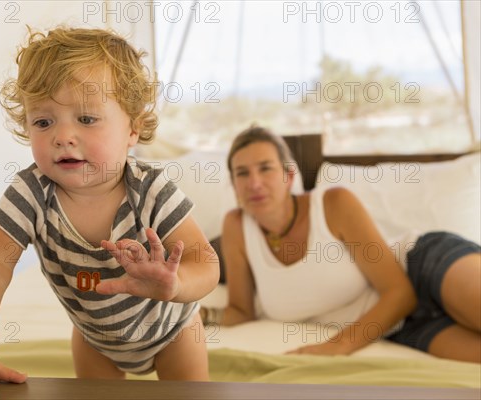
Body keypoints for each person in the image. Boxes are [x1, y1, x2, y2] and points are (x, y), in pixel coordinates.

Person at [0, 27, 219, 400]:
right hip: (95, 338)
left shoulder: (151, 190)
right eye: (43, 122)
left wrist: (176, 286)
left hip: (173, 331)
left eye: (86, 119)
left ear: (134, 128)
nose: (63, 136)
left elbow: (205, 262)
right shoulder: (30, 194)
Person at [200, 125, 480, 363]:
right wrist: (199, 314)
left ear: (288, 176)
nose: (255, 183)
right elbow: (241, 310)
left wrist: (337, 347)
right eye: (242, 173)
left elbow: (400, 293)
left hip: (422, 267)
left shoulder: (333, 203)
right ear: (233, 185)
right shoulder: (236, 226)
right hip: (396, 327)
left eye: (265, 169)